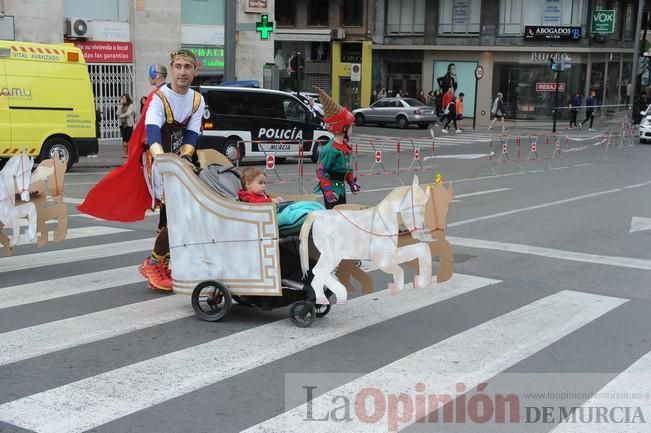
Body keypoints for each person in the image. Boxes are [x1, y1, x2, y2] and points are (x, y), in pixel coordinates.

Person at [138, 49, 206, 291]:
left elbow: (192, 132)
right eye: (178, 66)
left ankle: (163, 262)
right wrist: (165, 161)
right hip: (159, 161)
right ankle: (153, 263)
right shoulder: (159, 97)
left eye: (187, 67)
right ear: (171, 68)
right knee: (174, 214)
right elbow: (153, 131)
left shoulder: (197, 99)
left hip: (181, 161)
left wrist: (185, 158)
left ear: (195, 71)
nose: (182, 72)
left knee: (177, 214)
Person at [313, 86, 360, 209]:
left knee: (341, 214)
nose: (351, 129)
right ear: (343, 127)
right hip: (332, 189)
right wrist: (328, 191)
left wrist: (352, 183)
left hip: (341, 188)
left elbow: (346, 169)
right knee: (333, 217)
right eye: (350, 126)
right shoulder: (330, 149)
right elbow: (321, 171)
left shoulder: (344, 146)